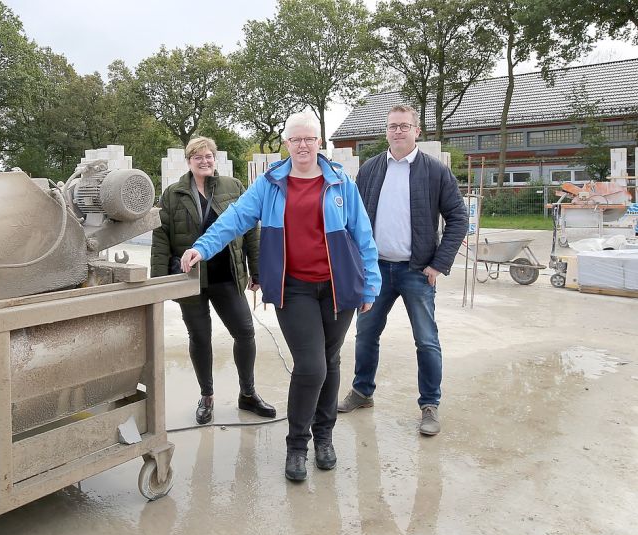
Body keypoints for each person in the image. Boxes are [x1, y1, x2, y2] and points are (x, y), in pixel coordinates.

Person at [181, 113, 380, 481]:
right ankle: (297, 445)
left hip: (338, 288)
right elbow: (235, 218)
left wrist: (371, 284)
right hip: (295, 287)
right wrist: (202, 247)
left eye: (309, 139)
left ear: (319, 142)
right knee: (312, 365)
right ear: (286, 144)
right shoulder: (270, 184)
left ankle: (324, 437)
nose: (303, 145)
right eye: (295, 140)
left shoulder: (340, 183)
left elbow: (363, 235)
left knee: (331, 361)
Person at [337, 104, 466, 437]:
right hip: (376, 269)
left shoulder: (435, 171)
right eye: (392, 126)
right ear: (386, 131)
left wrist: (438, 263)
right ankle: (363, 391)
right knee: (366, 334)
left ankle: (430, 405)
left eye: (404, 126)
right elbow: (355, 218)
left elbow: (458, 218)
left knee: (426, 340)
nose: (398, 131)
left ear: (416, 130)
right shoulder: (370, 169)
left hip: (416, 271)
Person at [151, 136, 276, 425]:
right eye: (198, 157)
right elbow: (160, 238)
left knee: (245, 332)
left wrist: (257, 271)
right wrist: (158, 281)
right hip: (190, 279)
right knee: (199, 337)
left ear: (214, 158)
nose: (204, 161)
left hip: (227, 275)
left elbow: (251, 232)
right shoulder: (173, 194)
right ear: (189, 161)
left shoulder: (233, 188)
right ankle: (206, 396)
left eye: (209, 156)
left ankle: (248, 393)